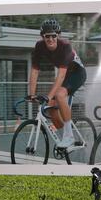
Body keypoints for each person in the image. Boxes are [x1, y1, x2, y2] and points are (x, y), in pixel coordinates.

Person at [28, 19, 87, 148]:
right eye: (47, 36)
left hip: (77, 74)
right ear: (42, 36)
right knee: (51, 107)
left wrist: (49, 95)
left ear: (58, 35)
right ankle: (66, 131)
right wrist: (31, 94)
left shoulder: (65, 46)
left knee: (59, 95)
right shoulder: (39, 46)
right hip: (65, 74)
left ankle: (69, 137)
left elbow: (60, 76)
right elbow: (34, 71)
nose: (50, 39)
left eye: (53, 36)